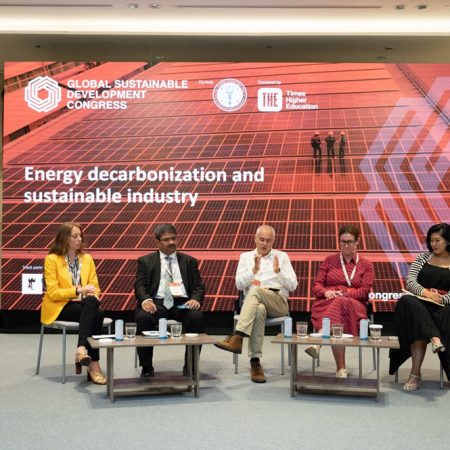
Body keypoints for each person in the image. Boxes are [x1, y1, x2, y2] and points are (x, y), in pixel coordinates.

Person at [214, 225, 298, 383]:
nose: (264, 244)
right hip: (254, 305)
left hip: (278, 301)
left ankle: (237, 336)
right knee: (258, 308)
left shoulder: (282, 256)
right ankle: (255, 362)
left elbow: (293, 286)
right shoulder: (245, 257)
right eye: (261, 240)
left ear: (274, 241)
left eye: (268, 240)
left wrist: (279, 272)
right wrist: (253, 270)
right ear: (255, 239)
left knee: (256, 291)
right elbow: (239, 285)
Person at [134, 224, 205, 378]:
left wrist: (195, 299)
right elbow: (140, 285)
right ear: (157, 242)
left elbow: (199, 286)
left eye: (173, 238)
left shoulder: (189, 261)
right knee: (143, 317)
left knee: (196, 317)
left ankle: (191, 366)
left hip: (181, 303)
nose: (171, 242)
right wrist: (146, 300)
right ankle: (146, 366)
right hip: (157, 303)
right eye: (166, 240)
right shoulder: (145, 261)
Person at [41, 222, 106, 384]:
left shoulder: (87, 259)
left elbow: (95, 287)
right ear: (64, 239)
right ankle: (94, 365)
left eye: (81, 236)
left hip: (84, 304)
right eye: (75, 236)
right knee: (97, 314)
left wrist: (90, 293)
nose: (79, 239)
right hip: (60, 306)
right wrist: (78, 291)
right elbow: (53, 293)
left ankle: (81, 350)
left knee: (94, 306)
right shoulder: (52, 259)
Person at [389, 223, 450, 392]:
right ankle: (432, 343)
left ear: (448, 241)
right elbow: (410, 282)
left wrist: (441, 298)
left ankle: (433, 339)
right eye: (431, 241)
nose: (433, 244)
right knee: (408, 302)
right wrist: (426, 293)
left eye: (437, 240)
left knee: (422, 321)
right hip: (419, 302)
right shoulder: (423, 258)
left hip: (443, 307)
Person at [308, 224, 374, 378]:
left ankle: (319, 339)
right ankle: (341, 369)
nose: (345, 245)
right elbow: (317, 285)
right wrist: (326, 292)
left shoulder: (366, 265)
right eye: (342, 241)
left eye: (349, 242)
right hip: (327, 303)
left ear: (357, 242)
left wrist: (345, 293)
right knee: (338, 305)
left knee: (342, 302)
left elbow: (365, 291)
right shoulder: (329, 261)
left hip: (355, 305)